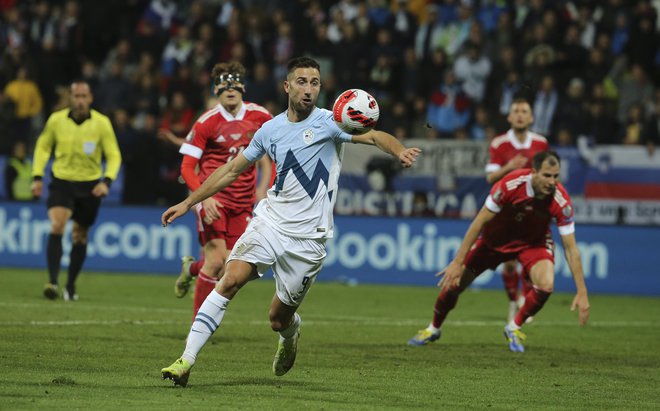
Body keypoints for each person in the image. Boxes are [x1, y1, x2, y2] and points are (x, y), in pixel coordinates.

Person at [159, 56, 421, 386]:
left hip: (309, 239)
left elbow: (374, 136)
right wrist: (188, 202)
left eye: (314, 83)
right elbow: (230, 170)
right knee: (230, 278)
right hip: (271, 221)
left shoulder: (332, 123)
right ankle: (187, 360)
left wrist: (398, 151)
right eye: (301, 81)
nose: (308, 89)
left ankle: (290, 334)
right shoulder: (269, 130)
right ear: (287, 86)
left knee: (277, 318)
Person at [408, 151, 590, 352]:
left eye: (556, 176)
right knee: (454, 285)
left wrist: (581, 291)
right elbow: (479, 222)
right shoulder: (510, 185)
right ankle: (433, 328)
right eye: (547, 175)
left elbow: (571, 249)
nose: (552, 182)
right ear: (534, 172)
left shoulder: (560, 200)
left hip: (532, 244)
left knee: (546, 285)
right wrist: (457, 262)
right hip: (493, 242)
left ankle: (514, 327)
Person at [162, 61, 273, 319]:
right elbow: (188, 168)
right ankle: (197, 327)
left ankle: (191, 269)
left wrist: (264, 188)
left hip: (244, 202)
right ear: (216, 91)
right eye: (224, 86)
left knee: (232, 268)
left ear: (243, 87)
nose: (230, 90)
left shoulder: (261, 117)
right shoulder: (206, 122)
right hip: (214, 199)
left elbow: (274, 156)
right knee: (215, 262)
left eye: (235, 85)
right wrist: (204, 197)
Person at [31, 80, 122, 301]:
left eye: (84, 97)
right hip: (62, 181)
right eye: (76, 96)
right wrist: (37, 176)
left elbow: (113, 155)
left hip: (90, 186)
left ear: (90, 99)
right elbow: (43, 146)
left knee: (80, 236)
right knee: (57, 225)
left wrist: (106, 182)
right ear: (70, 98)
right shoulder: (56, 120)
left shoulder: (101, 123)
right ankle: (52, 281)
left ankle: (70, 286)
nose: (80, 101)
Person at [485, 97, 548, 323]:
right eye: (516, 111)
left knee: (529, 257)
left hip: (533, 209)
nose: (520, 115)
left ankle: (523, 298)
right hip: (506, 210)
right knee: (509, 261)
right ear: (510, 117)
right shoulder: (499, 144)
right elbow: (490, 177)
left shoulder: (541, 144)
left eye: (524, 111)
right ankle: (514, 301)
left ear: (531, 117)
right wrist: (510, 167)